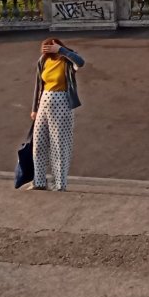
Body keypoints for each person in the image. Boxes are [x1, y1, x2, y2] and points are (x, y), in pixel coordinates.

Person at [28, 37, 85, 191]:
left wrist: (61, 51)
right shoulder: (43, 60)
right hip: (44, 102)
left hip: (62, 103)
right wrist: (34, 108)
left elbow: (80, 62)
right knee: (38, 144)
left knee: (59, 145)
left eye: (50, 48)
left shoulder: (67, 60)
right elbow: (39, 84)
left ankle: (60, 184)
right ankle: (39, 181)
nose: (47, 51)